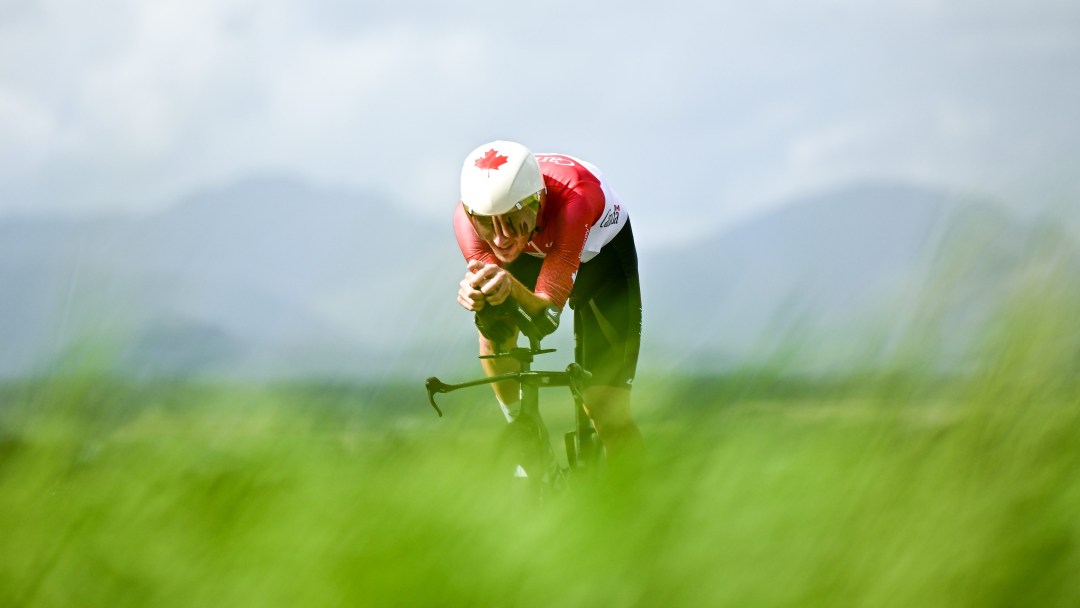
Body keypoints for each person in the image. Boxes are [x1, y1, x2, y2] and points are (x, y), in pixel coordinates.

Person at [453, 140, 643, 464]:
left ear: (536, 201)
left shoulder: (576, 200)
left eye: (512, 220)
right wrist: (478, 297)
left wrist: (509, 285)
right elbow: (496, 316)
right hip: (534, 250)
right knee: (492, 329)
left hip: (601, 259)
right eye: (486, 223)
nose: (499, 237)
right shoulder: (466, 221)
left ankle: (638, 502)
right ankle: (522, 431)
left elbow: (545, 319)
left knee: (607, 410)